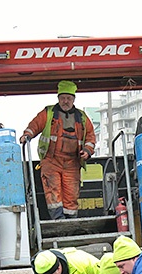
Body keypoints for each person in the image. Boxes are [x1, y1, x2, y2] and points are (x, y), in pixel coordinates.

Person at [19, 80, 95, 220]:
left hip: (72, 162)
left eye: (69, 98)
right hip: (51, 161)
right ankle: (58, 221)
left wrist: (87, 150)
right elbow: (35, 125)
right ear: (58, 98)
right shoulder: (48, 113)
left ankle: (71, 224)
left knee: (71, 194)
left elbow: (90, 136)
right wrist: (27, 135)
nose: (66, 101)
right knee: (53, 192)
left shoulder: (82, 117)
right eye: (63, 98)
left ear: (73, 99)